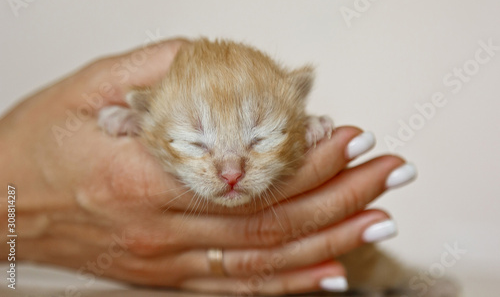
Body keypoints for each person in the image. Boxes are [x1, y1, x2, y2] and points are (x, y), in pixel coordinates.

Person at [0, 38, 416, 295]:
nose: (231, 171)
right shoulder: (143, 114)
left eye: (261, 138)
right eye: (194, 142)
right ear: (144, 118)